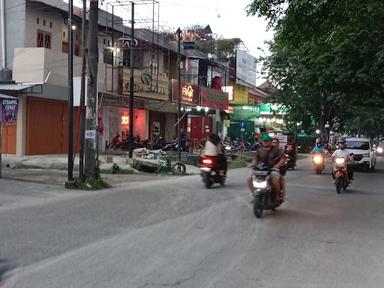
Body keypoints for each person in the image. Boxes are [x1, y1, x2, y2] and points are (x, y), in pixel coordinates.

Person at [247, 134, 286, 198]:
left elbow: (283, 159)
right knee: (249, 178)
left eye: (267, 141)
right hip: (260, 170)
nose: (265, 142)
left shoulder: (277, 150)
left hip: (272, 169)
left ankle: (276, 197)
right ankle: (255, 194)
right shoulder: (259, 150)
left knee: (274, 181)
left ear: (270, 142)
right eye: (264, 141)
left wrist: (277, 166)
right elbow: (255, 159)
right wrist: (253, 164)